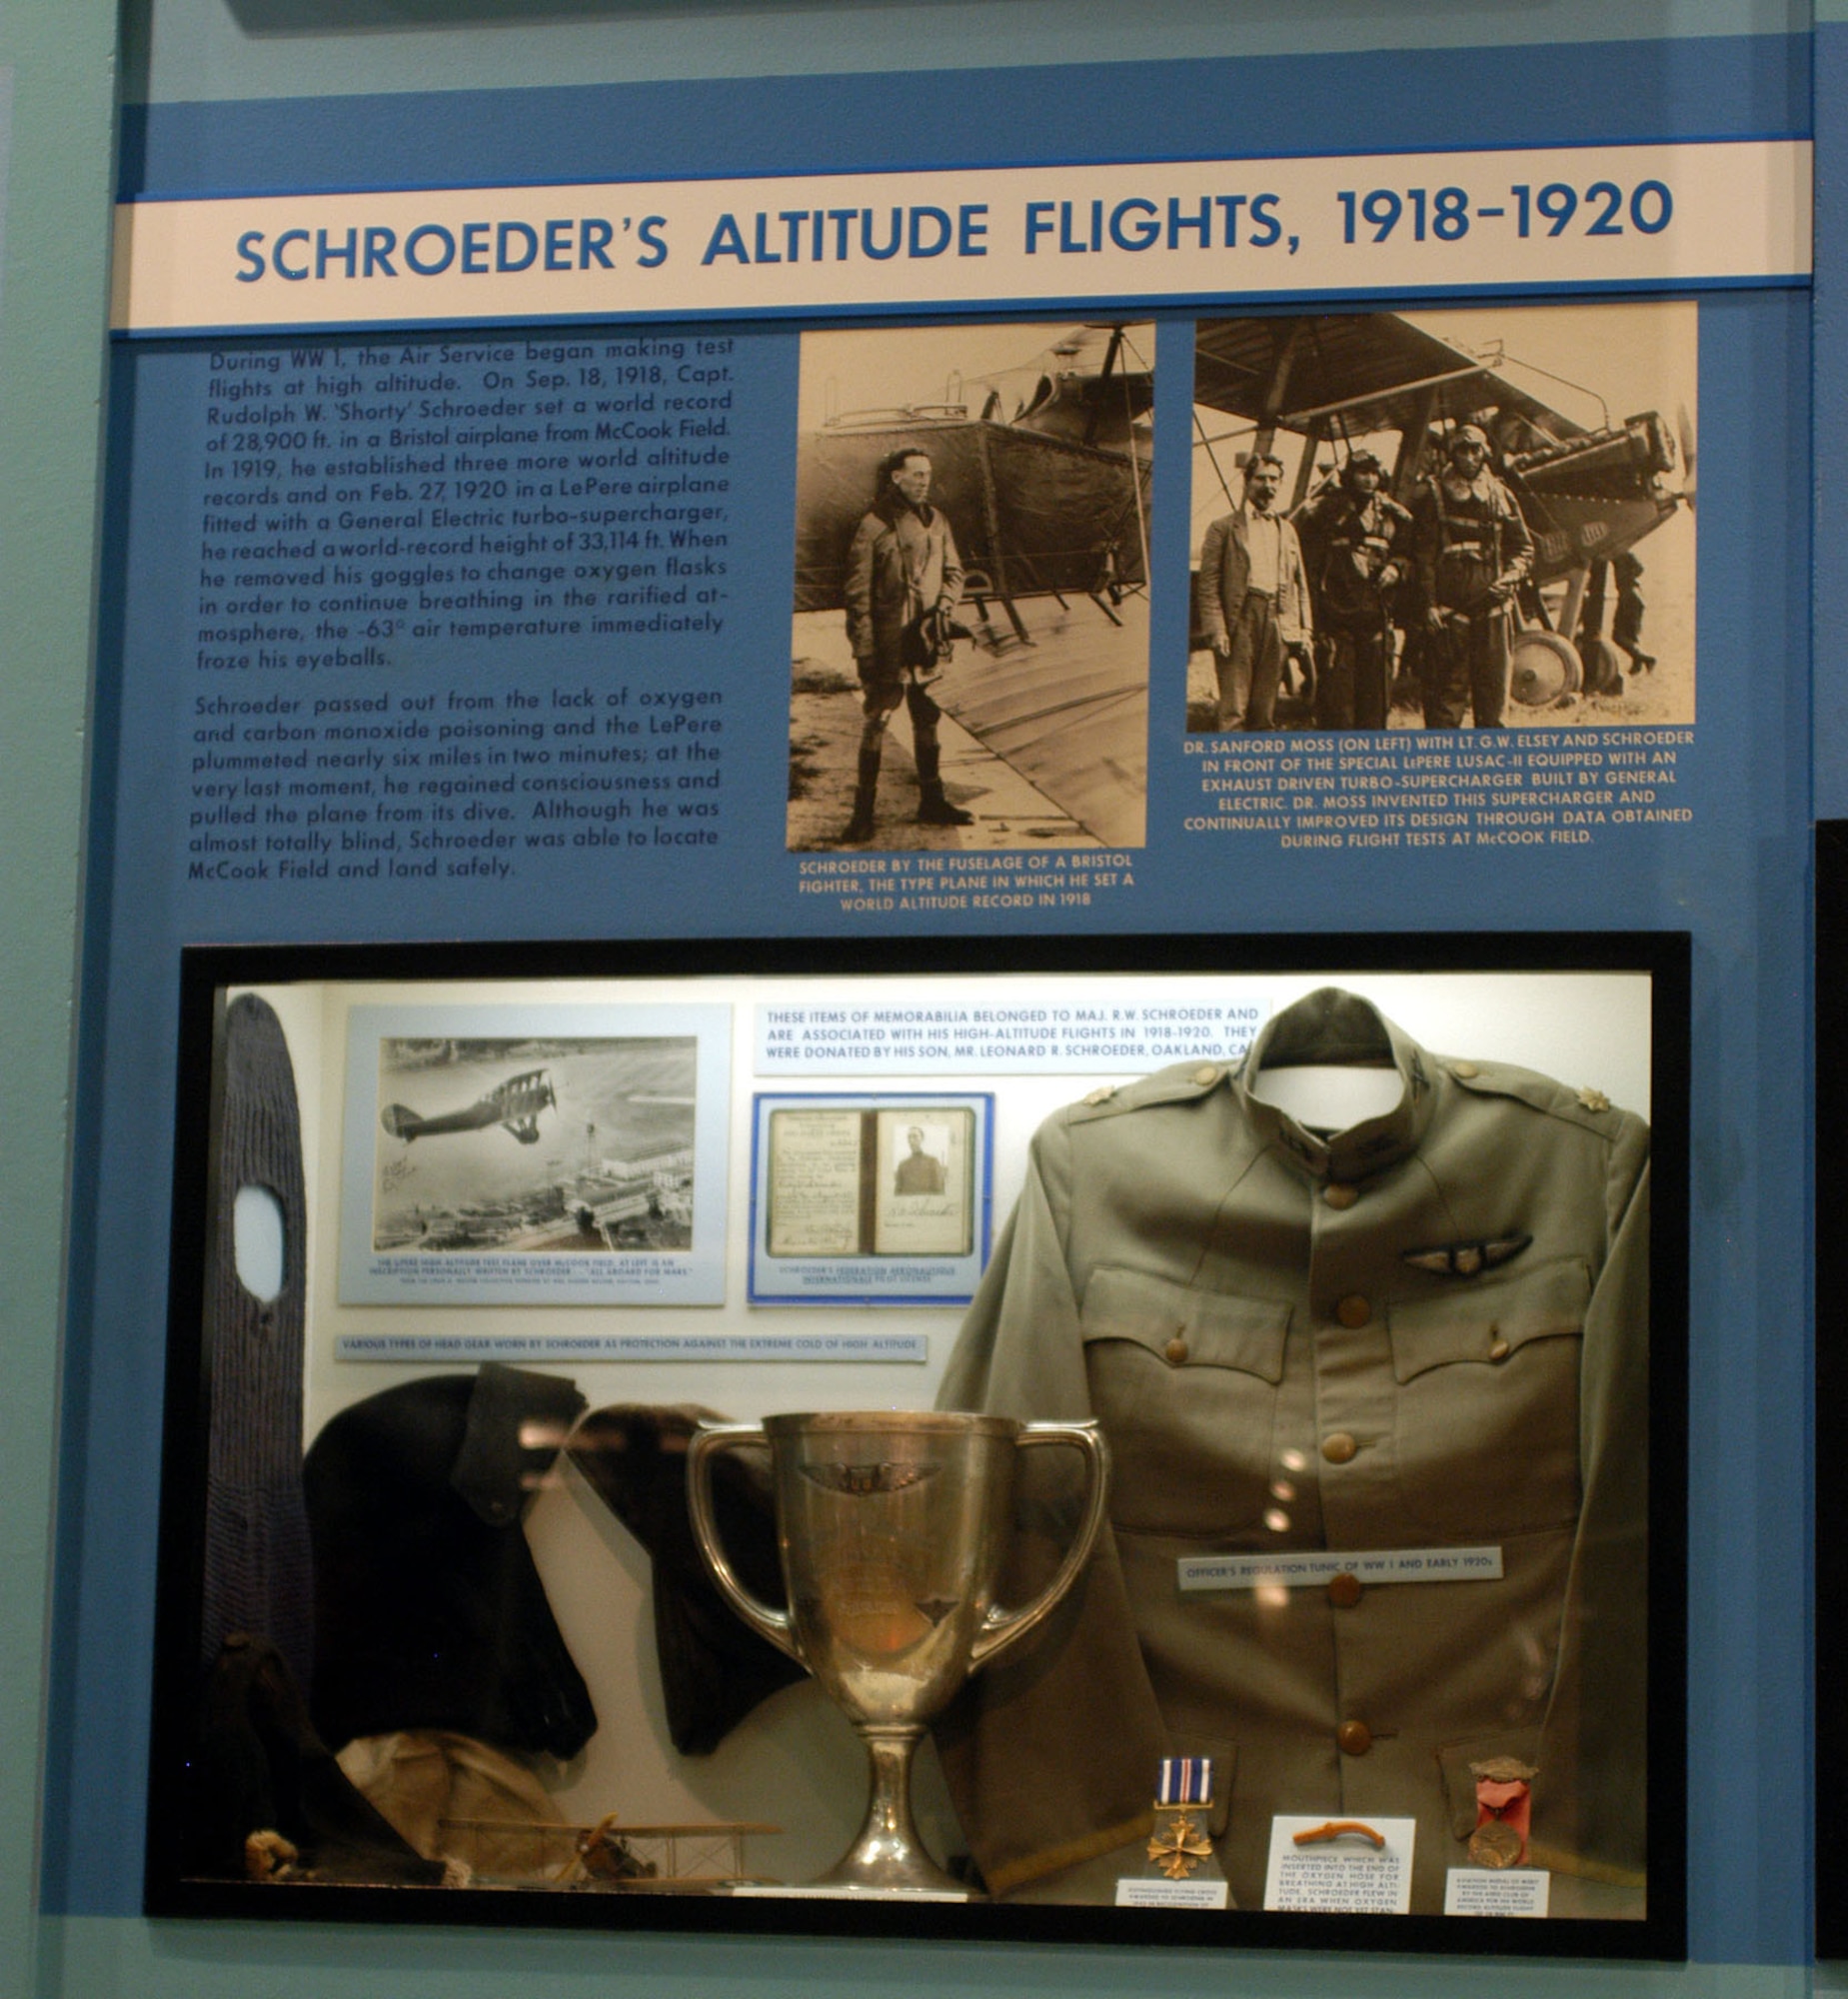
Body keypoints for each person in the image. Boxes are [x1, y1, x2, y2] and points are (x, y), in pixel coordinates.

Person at [932, 989, 1647, 1916]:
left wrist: (1594, 1839)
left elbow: (1640, 1538)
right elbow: (1015, 1521)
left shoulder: (1579, 1167)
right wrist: (1083, 1845)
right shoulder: (1091, 1168)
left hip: (1503, 1852)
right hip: (1183, 1855)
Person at [841, 447, 970, 842]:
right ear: (896, 478)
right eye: (916, 474)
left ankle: (932, 800)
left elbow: (954, 571)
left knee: (928, 720)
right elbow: (857, 597)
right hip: (888, 647)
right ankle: (862, 815)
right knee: (878, 722)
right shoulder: (873, 525)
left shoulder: (938, 521)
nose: (925, 481)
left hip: (927, 643)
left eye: (928, 474)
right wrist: (864, 650)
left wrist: (945, 605)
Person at [1411, 424, 1533, 728]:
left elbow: (1524, 547)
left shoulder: (1501, 494)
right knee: (1445, 702)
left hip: (1493, 610)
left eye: (1475, 449)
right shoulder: (1434, 494)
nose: (1468, 457)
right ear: (1452, 454)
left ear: (1485, 453)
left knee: (1493, 699)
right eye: (1462, 450)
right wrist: (1428, 604)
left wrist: (1512, 575)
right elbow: (1422, 556)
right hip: (1451, 616)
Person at [1292, 450, 1412, 730]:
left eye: (1373, 473)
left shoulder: (1392, 515)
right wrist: (1314, 625)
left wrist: (1396, 567)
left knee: (1374, 708)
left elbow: (1409, 552)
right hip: (1337, 625)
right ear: (1349, 476)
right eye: (1361, 473)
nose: (1368, 480)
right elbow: (1310, 570)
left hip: (1376, 623)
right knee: (1337, 709)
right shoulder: (1325, 512)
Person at [1196, 454, 1312, 731]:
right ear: (1247, 482)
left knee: (1265, 709)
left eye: (1274, 479)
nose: (1268, 485)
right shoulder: (1223, 529)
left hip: (1277, 621)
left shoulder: (1288, 530)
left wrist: (1305, 629)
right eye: (1261, 478)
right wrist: (1217, 630)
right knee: (1234, 709)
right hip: (1241, 621)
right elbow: (1208, 586)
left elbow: (1300, 584)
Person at [894, 1124, 945, 1194]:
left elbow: (939, 1190)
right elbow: (897, 1192)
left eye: (915, 1136)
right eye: (909, 1137)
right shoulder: (902, 1165)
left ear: (922, 1139)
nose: (911, 1140)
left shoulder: (932, 1162)